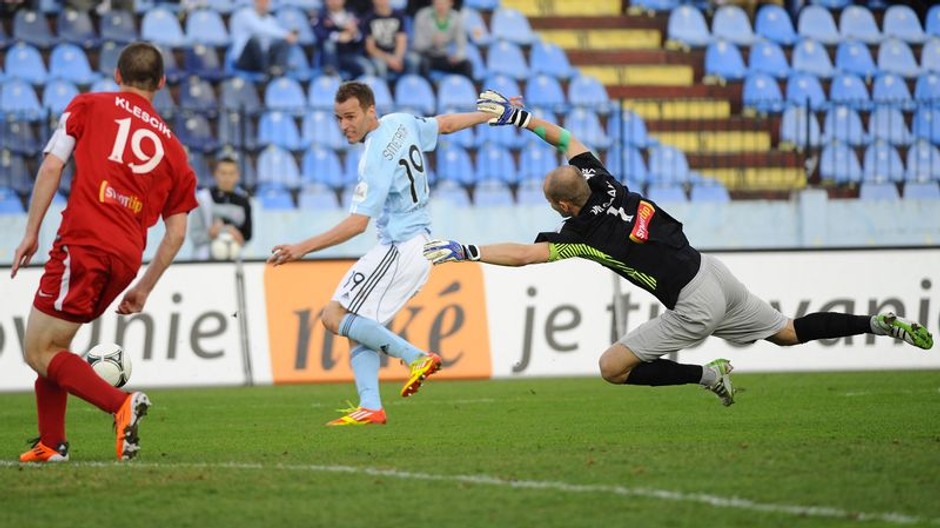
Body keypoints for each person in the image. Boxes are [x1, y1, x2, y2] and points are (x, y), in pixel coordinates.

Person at [423, 89, 935, 406]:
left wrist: (467, 250)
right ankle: (876, 323)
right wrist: (519, 117)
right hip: (713, 272)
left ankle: (705, 374)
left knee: (611, 368)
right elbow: (566, 139)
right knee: (787, 331)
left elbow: (526, 254)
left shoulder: (583, 238)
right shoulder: (604, 183)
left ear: (562, 207)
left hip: (694, 302)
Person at [11, 42, 199, 462]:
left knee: (38, 350)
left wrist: (31, 232)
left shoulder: (89, 105)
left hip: (84, 241)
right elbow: (177, 232)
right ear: (162, 84)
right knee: (56, 345)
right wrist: (144, 288)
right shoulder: (175, 151)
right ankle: (51, 443)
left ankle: (120, 405)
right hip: (126, 258)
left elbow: (52, 166)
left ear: (117, 76)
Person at [268, 81, 493, 425]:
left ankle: (415, 357)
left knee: (333, 315)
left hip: (400, 247)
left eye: (350, 116)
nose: (345, 125)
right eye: (339, 118)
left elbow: (357, 224)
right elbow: (444, 124)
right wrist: (486, 115)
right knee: (356, 322)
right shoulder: (401, 121)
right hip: (416, 243)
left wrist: (301, 248)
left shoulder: (373, 157)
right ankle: (371, 406)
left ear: (370, 110)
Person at [189, 156, 253, 261]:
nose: (227, 178)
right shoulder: (203, 199)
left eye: (231, 173)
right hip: (204, 262)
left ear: (238, 176)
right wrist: (211, 234)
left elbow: (247, 236)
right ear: (215, 174)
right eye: (223, 173)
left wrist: (238, 237)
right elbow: (195, 236)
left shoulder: (244, 201)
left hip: (235, 260)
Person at [228, 0, 299, 77]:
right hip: (244, 59)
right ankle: (268, 72)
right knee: (254, 41)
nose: (263, 5)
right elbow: (259, 28)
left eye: (266, 2)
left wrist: (287, 36)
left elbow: (275, 35)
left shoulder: (270, 20)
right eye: (261, 2)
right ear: (255, 2)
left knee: (282, 42)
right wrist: (286, 35)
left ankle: (279, 69)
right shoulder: (244, 14)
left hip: (263, 58)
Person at [411, 0, 473, 80]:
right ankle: (427, 90)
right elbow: (417, 45)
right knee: (422, 63)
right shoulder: (422, 16)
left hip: (444, 56)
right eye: (437, 3)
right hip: (426, 55)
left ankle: (467, 90)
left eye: (444, 3)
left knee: (466, 65)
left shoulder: (456, 17)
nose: (440, 7)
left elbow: (461, 42)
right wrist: (432, 41)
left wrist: (458, 56)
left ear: (451, 3)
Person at [313, 0, 374, 79]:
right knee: (328, 43)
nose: (334, 2)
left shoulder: (352, 14)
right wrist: (338, 36)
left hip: (349, 55)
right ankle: (332, 74)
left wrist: (355, 33)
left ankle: (360, 89)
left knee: (368, 69)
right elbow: (318, 34)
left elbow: (362, 39)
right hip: (328, 57)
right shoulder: (320, 15)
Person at [362, 0, 417, 80]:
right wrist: (389, 59)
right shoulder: (368, 19)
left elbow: (402, 40)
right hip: (379, 55)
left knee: (413, 60)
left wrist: (397, 58)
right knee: (380, 65)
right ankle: (383, 91)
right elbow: (370, 48)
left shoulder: (399, 16)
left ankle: (410, 89)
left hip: (396, 53)